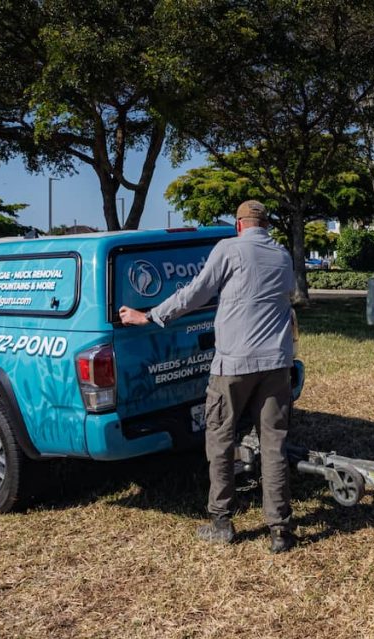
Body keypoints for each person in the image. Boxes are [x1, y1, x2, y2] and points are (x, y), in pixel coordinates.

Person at [119, 200, 297, 553]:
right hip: (277, 364)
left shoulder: (229, 249)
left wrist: (151, 316)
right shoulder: (282, 255)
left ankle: (221, 522)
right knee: (274, 444)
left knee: (220, 439)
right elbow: (284, 297)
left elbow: (196, 293)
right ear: (265, 225)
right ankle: (280, 529)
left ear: (239, 225)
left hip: (232, 365)